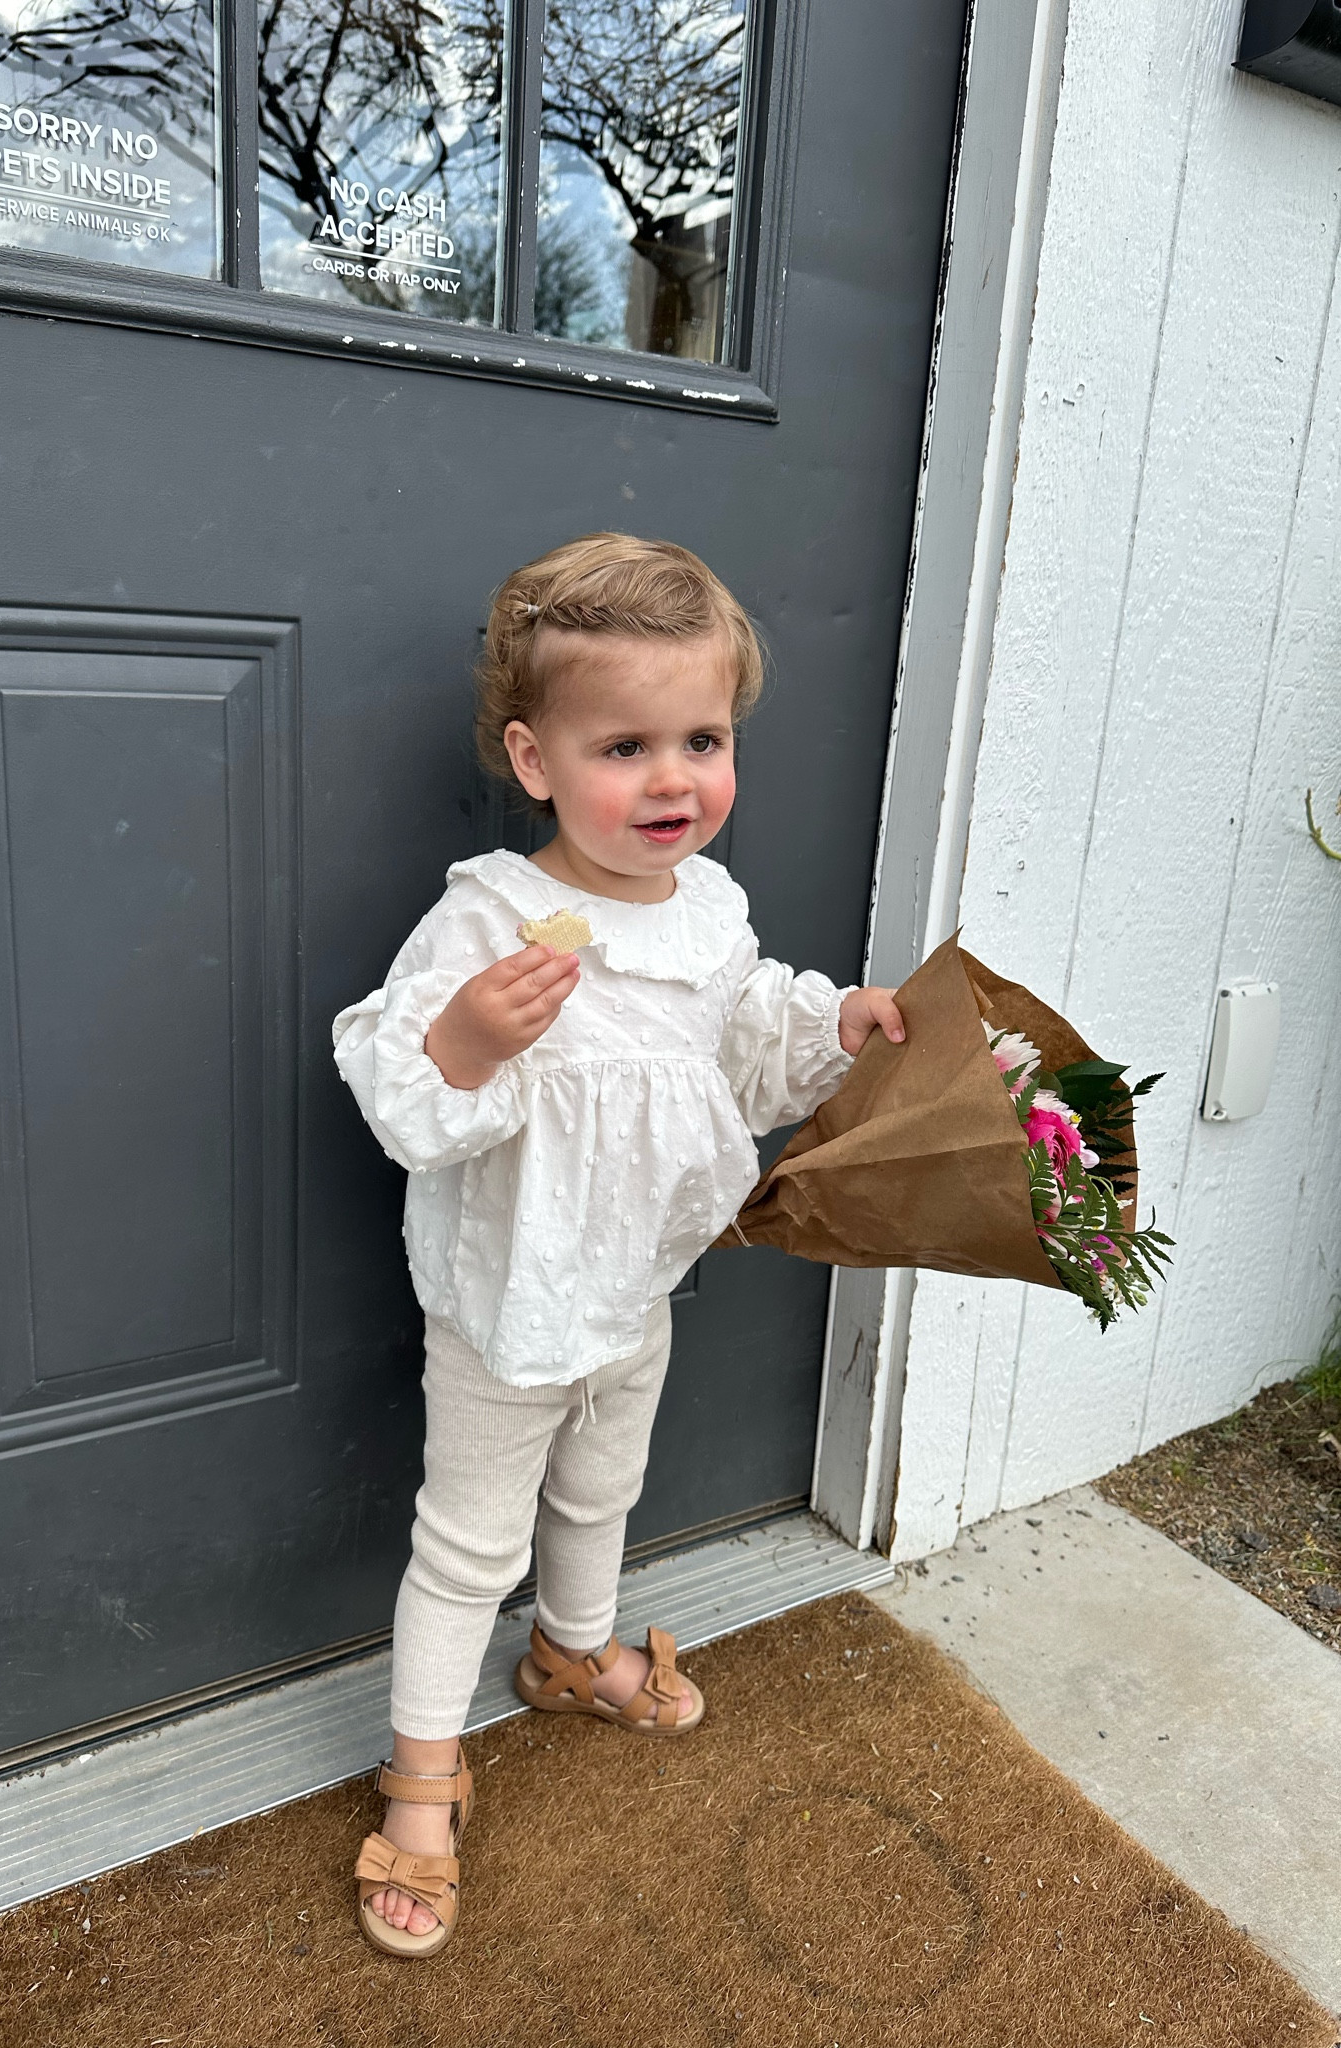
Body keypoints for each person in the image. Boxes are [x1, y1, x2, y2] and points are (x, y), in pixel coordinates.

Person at [332, 532, 905, 1957]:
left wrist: (832, 1026)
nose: (672, 781)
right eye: (625, 747)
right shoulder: (492, 916)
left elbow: (745, 1043)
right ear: (535, 762)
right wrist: (472, 1039)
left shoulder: (709, 911)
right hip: (511, 1301)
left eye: (703, 740)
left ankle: (573, 1650)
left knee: (604, 1485)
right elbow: (405, 1098)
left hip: (637, 1281)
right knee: (467, 1541)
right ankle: (420, 1775)